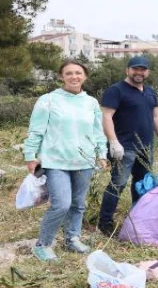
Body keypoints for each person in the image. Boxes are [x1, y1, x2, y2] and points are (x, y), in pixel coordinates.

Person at [24, 60, 108, 262]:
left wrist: (102, 153)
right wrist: (30, 155)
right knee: (61, 204)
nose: (74, 77)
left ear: (85, 76)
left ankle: (72, 238)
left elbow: (97, 131)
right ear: (61, 76)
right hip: (55, 160)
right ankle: (42, 245)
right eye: (69, 73)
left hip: (84, 161)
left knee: (78, 204)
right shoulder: (48, 100)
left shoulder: (91, 102)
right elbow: (36, 130)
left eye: (78, 73)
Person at [98, 56, 158, 236]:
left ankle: (137, 216)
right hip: (124, 146)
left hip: (146, 146)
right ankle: (105, 222)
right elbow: (106, 117)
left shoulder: (150, 92)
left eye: (143, 69)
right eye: (135, 69)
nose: (139, 73)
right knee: (118, 184)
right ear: (127, 70)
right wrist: (113, 141)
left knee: (141, 184)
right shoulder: (116, 90)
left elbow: (155, 116)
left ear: (147, 72)